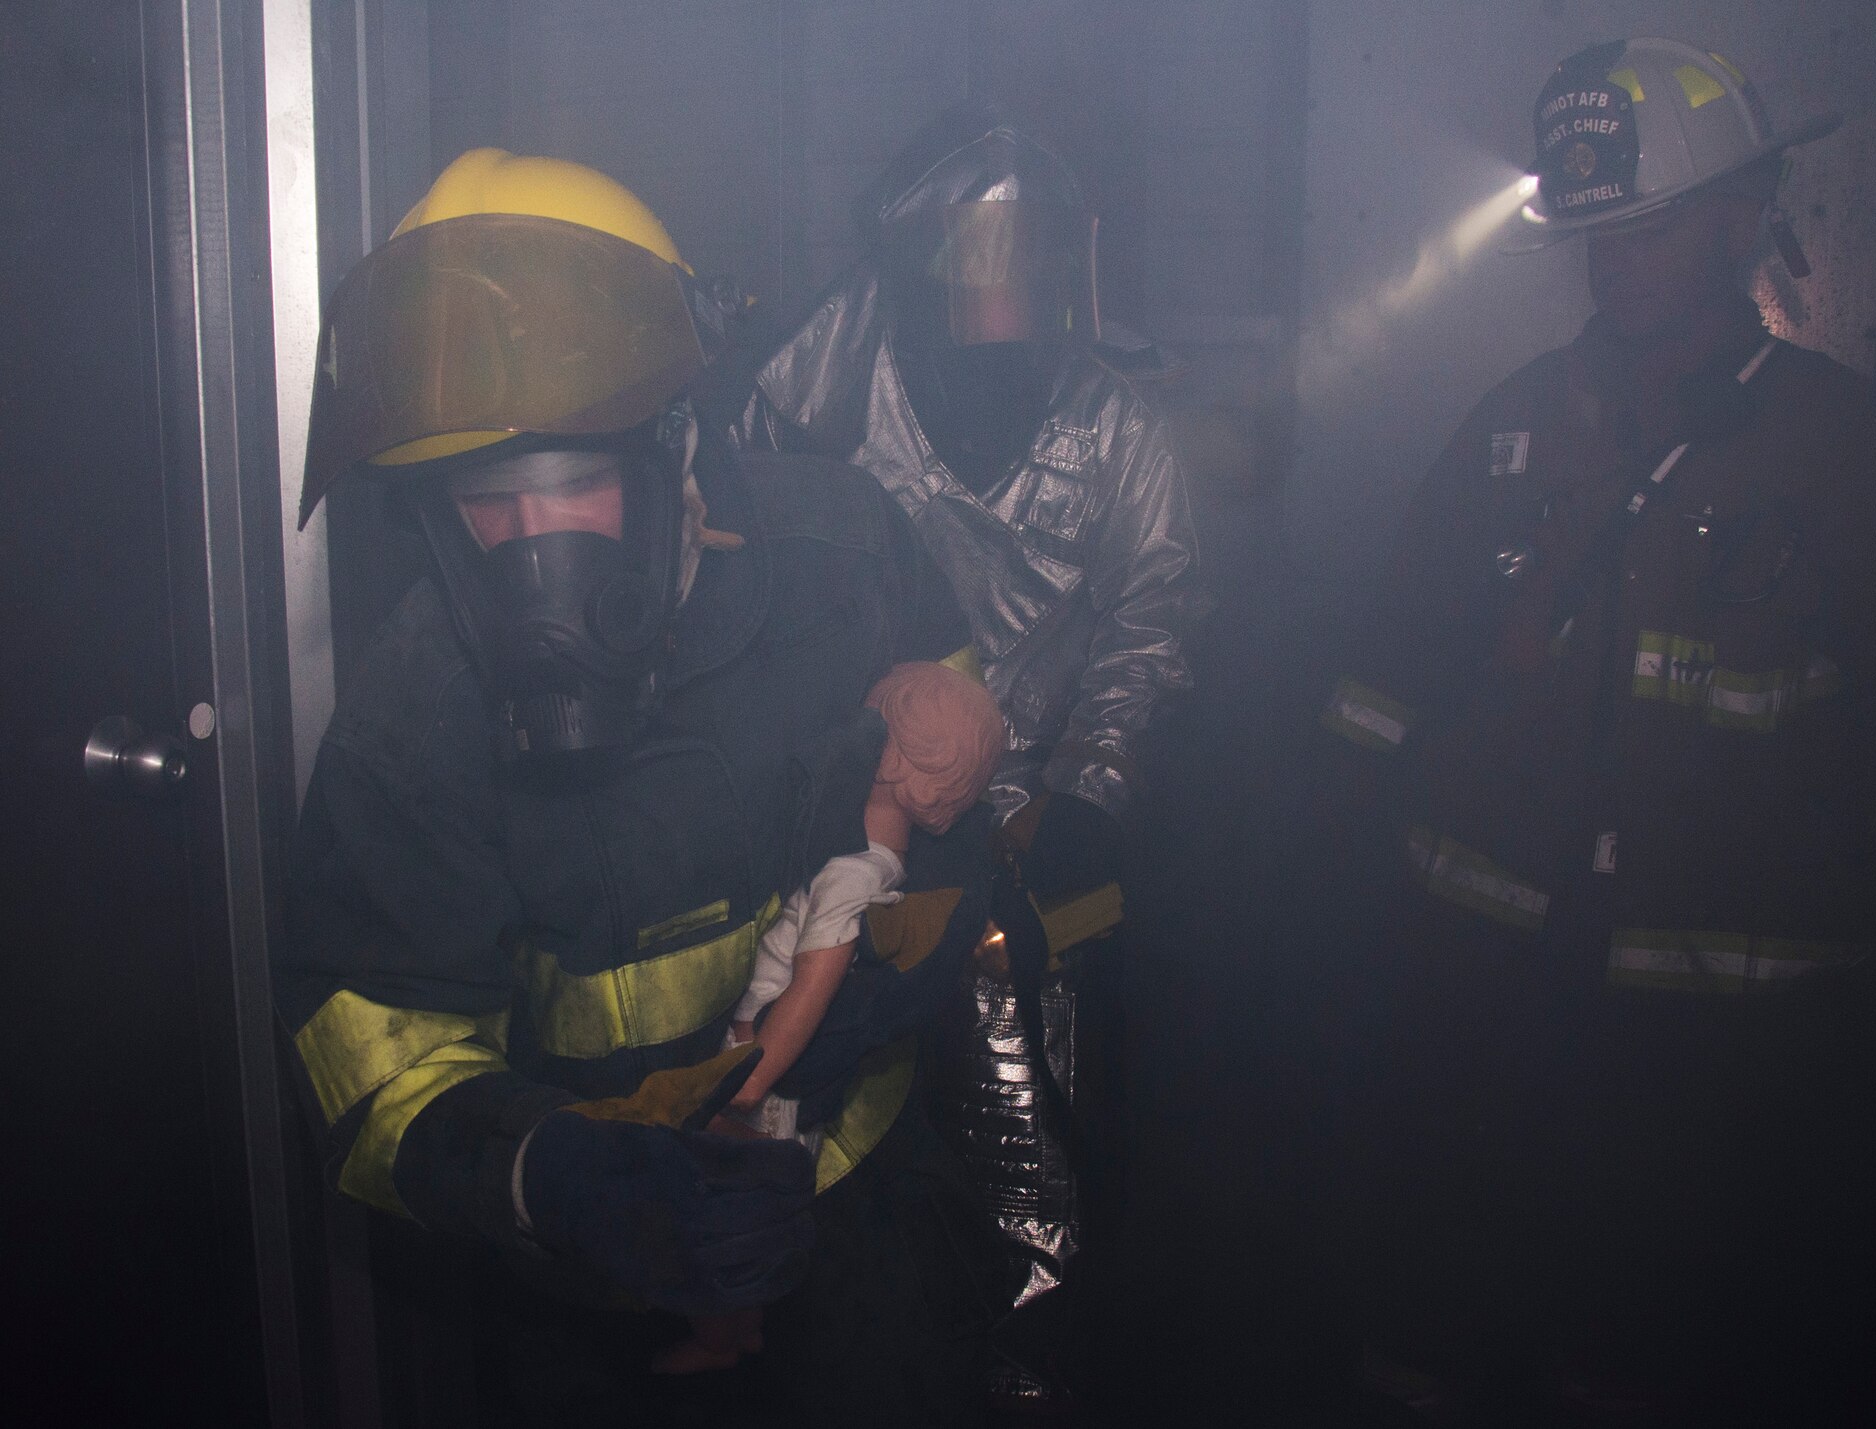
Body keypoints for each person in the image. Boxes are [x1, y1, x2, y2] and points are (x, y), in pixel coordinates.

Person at [1315, 39, 1876, 1423]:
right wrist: (1324, 891)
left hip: (1718, 1057)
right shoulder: (1513, 430)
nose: (1615, 266)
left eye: (1653, 229)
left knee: (1643, 1363)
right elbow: (1381, 675)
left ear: (1747, 218)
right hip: (1480, 1007)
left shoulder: (1848, 460)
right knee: (1424, 1338)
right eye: (1598, 236)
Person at [278, 147, 997, 1424]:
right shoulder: (412, 717)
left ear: (678, 448)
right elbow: (375, 1072)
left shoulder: (844, 554)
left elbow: (958, 796)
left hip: (857, 1218)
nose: (529, 554)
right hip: (587, 1291)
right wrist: (553, 1178)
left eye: (571, 487)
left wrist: (880, 977)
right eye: (481, 503)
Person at [728, 102, 1207, 1407]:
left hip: (1044, 828)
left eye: (1033, 265)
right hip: (856, 813)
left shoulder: (1121, 431)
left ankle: (1033, 1348)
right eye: (977, 267)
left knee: (1038, 1079)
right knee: (826, 1072)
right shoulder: (817, 386)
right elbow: (753, 583)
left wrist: (1091, 795)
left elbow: (1154, 622)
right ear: (915, 266)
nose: (1007, 301)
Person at [662, 661, 1007, 1375]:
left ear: (900, 756)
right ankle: (744, 1328)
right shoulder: (871, 858)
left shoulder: (855, 871)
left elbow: (816, 980)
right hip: (768, 1058)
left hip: (764, 1063)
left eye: (873, 726)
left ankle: (721, 1339)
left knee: (728, 1210)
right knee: (748, 1207)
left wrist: (754, 1072)